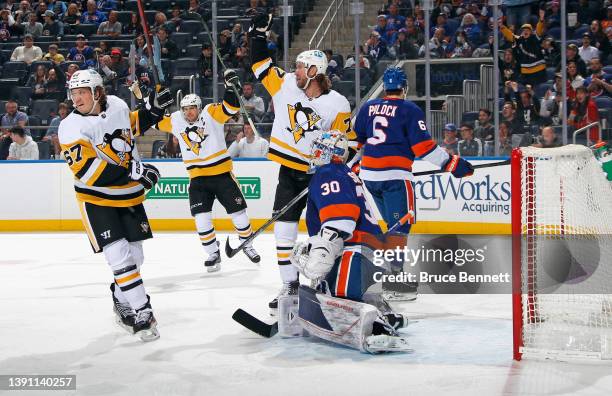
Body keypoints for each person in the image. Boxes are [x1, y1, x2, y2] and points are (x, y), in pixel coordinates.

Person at [249, 13, 355, 315]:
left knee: (325, 233)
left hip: (321, 176)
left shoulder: (338, 103)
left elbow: (351, 144)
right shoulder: (284, 86)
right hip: (289, 173)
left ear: (313, 70)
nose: (294, 70)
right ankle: (290, 285)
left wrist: (339, 149)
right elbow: (260, 65)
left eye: (299, 66)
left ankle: (325, 283)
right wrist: (257, 34)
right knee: (283, 233)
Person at [58, 69, 173, 341]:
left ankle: (120, 297)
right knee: (119, 256)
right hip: (96, 198)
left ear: (98, 92)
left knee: (136, 257)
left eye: (82, 92)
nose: (77, 98)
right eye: (73, 93)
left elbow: (131, 125)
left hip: (129, 195)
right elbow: (86, 171)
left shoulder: (118, 105)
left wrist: (153, 110)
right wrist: (135, 171)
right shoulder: (70, 127)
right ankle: (143, 311)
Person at [352, 67, 474, 300]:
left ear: (385, 88)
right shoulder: (409, 109)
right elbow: (423, 148)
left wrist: (356, 167)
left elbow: (356, 141)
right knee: (400, 226)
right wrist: (453, 165)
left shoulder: (368, 107)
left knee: (388, 226)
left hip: (369, 177)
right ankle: (395, 281)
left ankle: (385, 274)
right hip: (395, 177)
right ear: (404, 88)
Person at [287, 130, 410, 353]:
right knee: (328, 291)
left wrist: (320, 255)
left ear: (329, 152)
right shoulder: (341, 172)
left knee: (335, 301)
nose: (313, 152)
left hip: (356, 252)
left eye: (318, 148)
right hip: (371, 252)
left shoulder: (328, 173)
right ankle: (383, 312)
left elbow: (341, 220)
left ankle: (379, 329)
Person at [155, 78, 261, 271]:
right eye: (185, 108)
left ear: (199, 107)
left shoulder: (211, 113)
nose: (189, 112)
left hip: (221, 174)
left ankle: (248, 244)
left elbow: (230, 107)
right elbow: (154, 120)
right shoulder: (176, 120)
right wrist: (151, 100)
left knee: (238, 214)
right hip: (197, 179)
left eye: (192, 108)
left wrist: (230, 89)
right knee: (201, 218)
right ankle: (213, 252)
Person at [500, 10, 547, 87]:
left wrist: (541, 20)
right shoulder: (519, 39)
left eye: (527, 30)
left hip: (539, 69)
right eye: (523, 30)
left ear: (531, 32)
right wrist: (502, 27)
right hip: (526, 71)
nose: (525, 31)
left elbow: (538, 30)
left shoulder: (535, 37)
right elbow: (510, 35)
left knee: (539, 89)